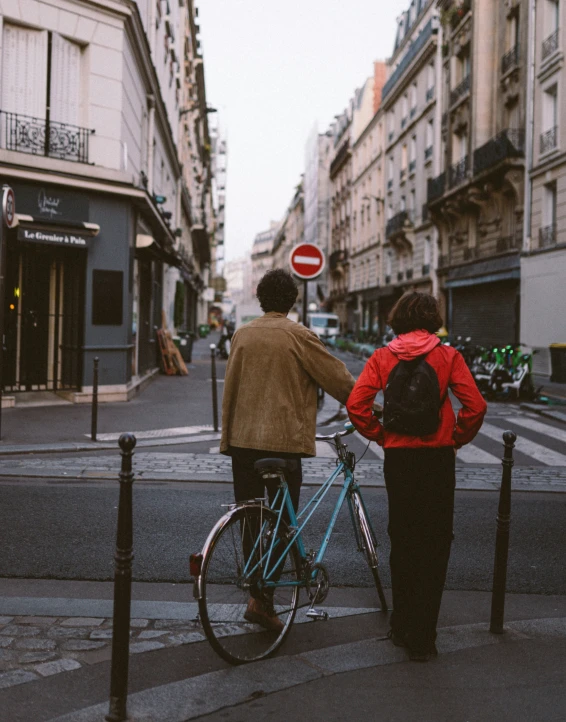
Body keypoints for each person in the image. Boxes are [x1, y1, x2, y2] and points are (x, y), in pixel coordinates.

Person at [346, 291, 486, 661]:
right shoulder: (448, 355)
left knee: (403, 538)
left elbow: (356, 405)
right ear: (432, 318)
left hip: (399, 460)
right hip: (437, 459)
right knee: (436, 542)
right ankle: (425, 635)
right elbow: (475, 405)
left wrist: (380, 435)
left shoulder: (381, 356)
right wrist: (457, 437)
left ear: (398, 318)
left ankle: (402, 624)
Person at [221, 269, 356, 630]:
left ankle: (255, 588)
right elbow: (338, 379)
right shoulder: (299, 335)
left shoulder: (243, 334)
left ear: (262, 299)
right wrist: (373, 409)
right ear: (293, 301)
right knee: (284, 525)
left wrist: (228, 437)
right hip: (282, 444)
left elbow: (230, 386)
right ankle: (262, 600)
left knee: (250, 519)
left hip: (242, 441)